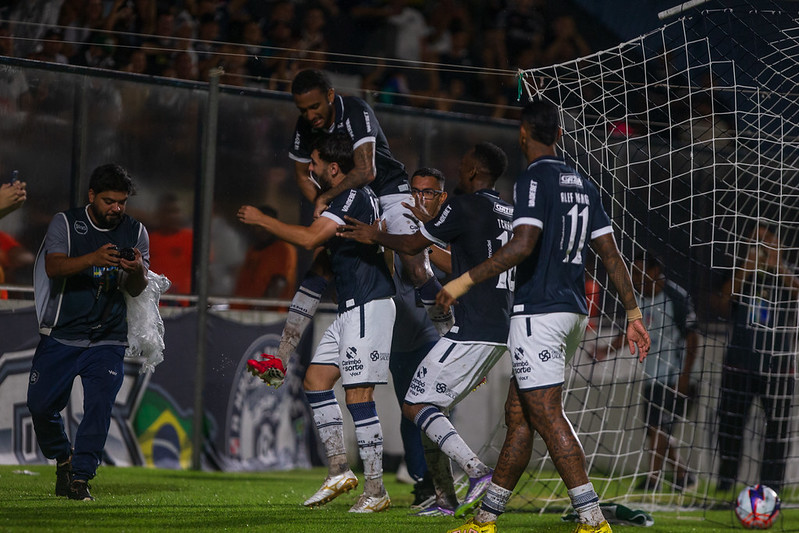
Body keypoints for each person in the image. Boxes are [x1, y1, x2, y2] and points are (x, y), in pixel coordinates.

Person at [438, 101, 650, 533]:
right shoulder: (584, 183)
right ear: (558, 133)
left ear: (522, 133)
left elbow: (522, 245)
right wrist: (633, 311)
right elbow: (609, 254)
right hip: (572, 312)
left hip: (539, 313)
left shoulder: (534, 177)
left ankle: (592, 520)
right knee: (521, 416)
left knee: (548, 415)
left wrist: (461, 282)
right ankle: (487, 518)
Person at [339, 142, 513, 518]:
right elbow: (460, 259)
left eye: (463, 162)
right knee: (428, 410)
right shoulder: (507, 211)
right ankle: (445, 500)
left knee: (415, 405)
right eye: (415, 190)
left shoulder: (462, 205)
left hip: (473, 325)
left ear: (472, 172)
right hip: (497, 323)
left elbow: (417, 252)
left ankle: (479, 472)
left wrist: (376, 235)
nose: (459, 164)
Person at [238, 132, 396, 513]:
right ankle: (340, 471)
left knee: (359, 394)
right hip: (350, 310)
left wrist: (263, 220)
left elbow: (310, 240)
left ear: (335, 168)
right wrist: (282, 354)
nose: (309, 169)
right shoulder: (341, 204)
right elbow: (315, 278)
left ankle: (376, 490)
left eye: (314, 164)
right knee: (315, 380)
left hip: (369, 305)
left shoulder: (352, 197)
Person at [287, 69, 452, 333]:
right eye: (303, 109)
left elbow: (367, 171)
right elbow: (301, 175)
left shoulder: (354, 109)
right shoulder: (305, 125)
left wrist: (327, 198)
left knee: (417, 269)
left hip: (388, 190)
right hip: (352, 197)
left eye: (315, 107)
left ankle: (452, 342)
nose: (309, 116)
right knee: (321, 267)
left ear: (330, 95)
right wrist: (326, 209)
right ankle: (281, 358)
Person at [26, 163, 149, 502]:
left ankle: (80, 478)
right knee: (40, 407)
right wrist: (93, 258)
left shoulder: (136, 232)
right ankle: (63, 457)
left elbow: (138, 290)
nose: (117, 209)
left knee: (99, 405)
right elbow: (54, 267)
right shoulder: (65, 222)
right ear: (91, 196)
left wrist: (136, 270)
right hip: (62, 333)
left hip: (108, 336)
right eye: (109, 201)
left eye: (122, 202)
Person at [594, 252, 698, 492]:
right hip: (652, 376)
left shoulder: (676, 297)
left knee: (659, 429)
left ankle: (653, 479)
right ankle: (684, 476)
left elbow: (693, 339)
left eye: (640, 271)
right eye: (633, 272)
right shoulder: (639, 300)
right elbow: (629, 333)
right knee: (655, 432)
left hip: (674, 377)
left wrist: (684, 377)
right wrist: (604, 350)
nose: (635, 277)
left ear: (654, 271)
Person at [716, 223, 799, 492]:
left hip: (779, 366)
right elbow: (721, 302)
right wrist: (745, 270)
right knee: (730, 426)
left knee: (777, 430)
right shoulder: (741, 271)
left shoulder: (788, 273)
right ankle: (725, 483)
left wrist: (780, 267)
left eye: (767, 241)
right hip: (740, 363)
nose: (761, 247)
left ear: (779, 244)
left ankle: (772, 487)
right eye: (756, 241)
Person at [388, 167, 449, 507]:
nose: (420, 198)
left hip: (434, 332)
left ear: (441, 197)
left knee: (434, 404)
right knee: (409, 411)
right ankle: (421, 478)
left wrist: (419, 246)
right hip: (400, 334)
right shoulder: (399, 223)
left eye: (428, 192)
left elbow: (462, 267)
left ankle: (435, 481)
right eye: (415, 190)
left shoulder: (448, 229)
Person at [233, 204, 298, 302]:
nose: (263, 229)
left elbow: (279, 283)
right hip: (243, 311)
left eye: (267, 225)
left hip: (269, 314)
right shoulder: (253, 250)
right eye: (259, 226)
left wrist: (260, 309)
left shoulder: (282, 249)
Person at [147, 193, 193, 295]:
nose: (172, 216)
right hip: (154, 301)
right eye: (168, 212)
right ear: (159, 214)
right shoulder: (148, 240)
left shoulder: (192, 240)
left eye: (175, 211)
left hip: (185, 302)